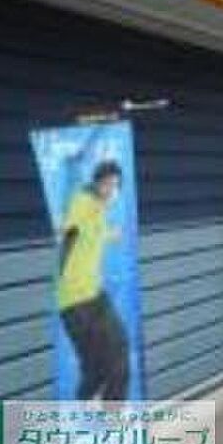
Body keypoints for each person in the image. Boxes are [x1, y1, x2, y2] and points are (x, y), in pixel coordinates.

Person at [57, 160, 129, 401]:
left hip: (93, 294)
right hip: (75, 301)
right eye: (107, 184)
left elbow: (93, 232)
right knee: (98, 364)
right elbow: (73, 224)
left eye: (115, 185)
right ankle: (90, 406)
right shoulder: (83, 202)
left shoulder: (98, 213)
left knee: (113, 354)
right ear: (96, 183)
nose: (111, 190)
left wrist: (111, 234)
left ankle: (104, 410)